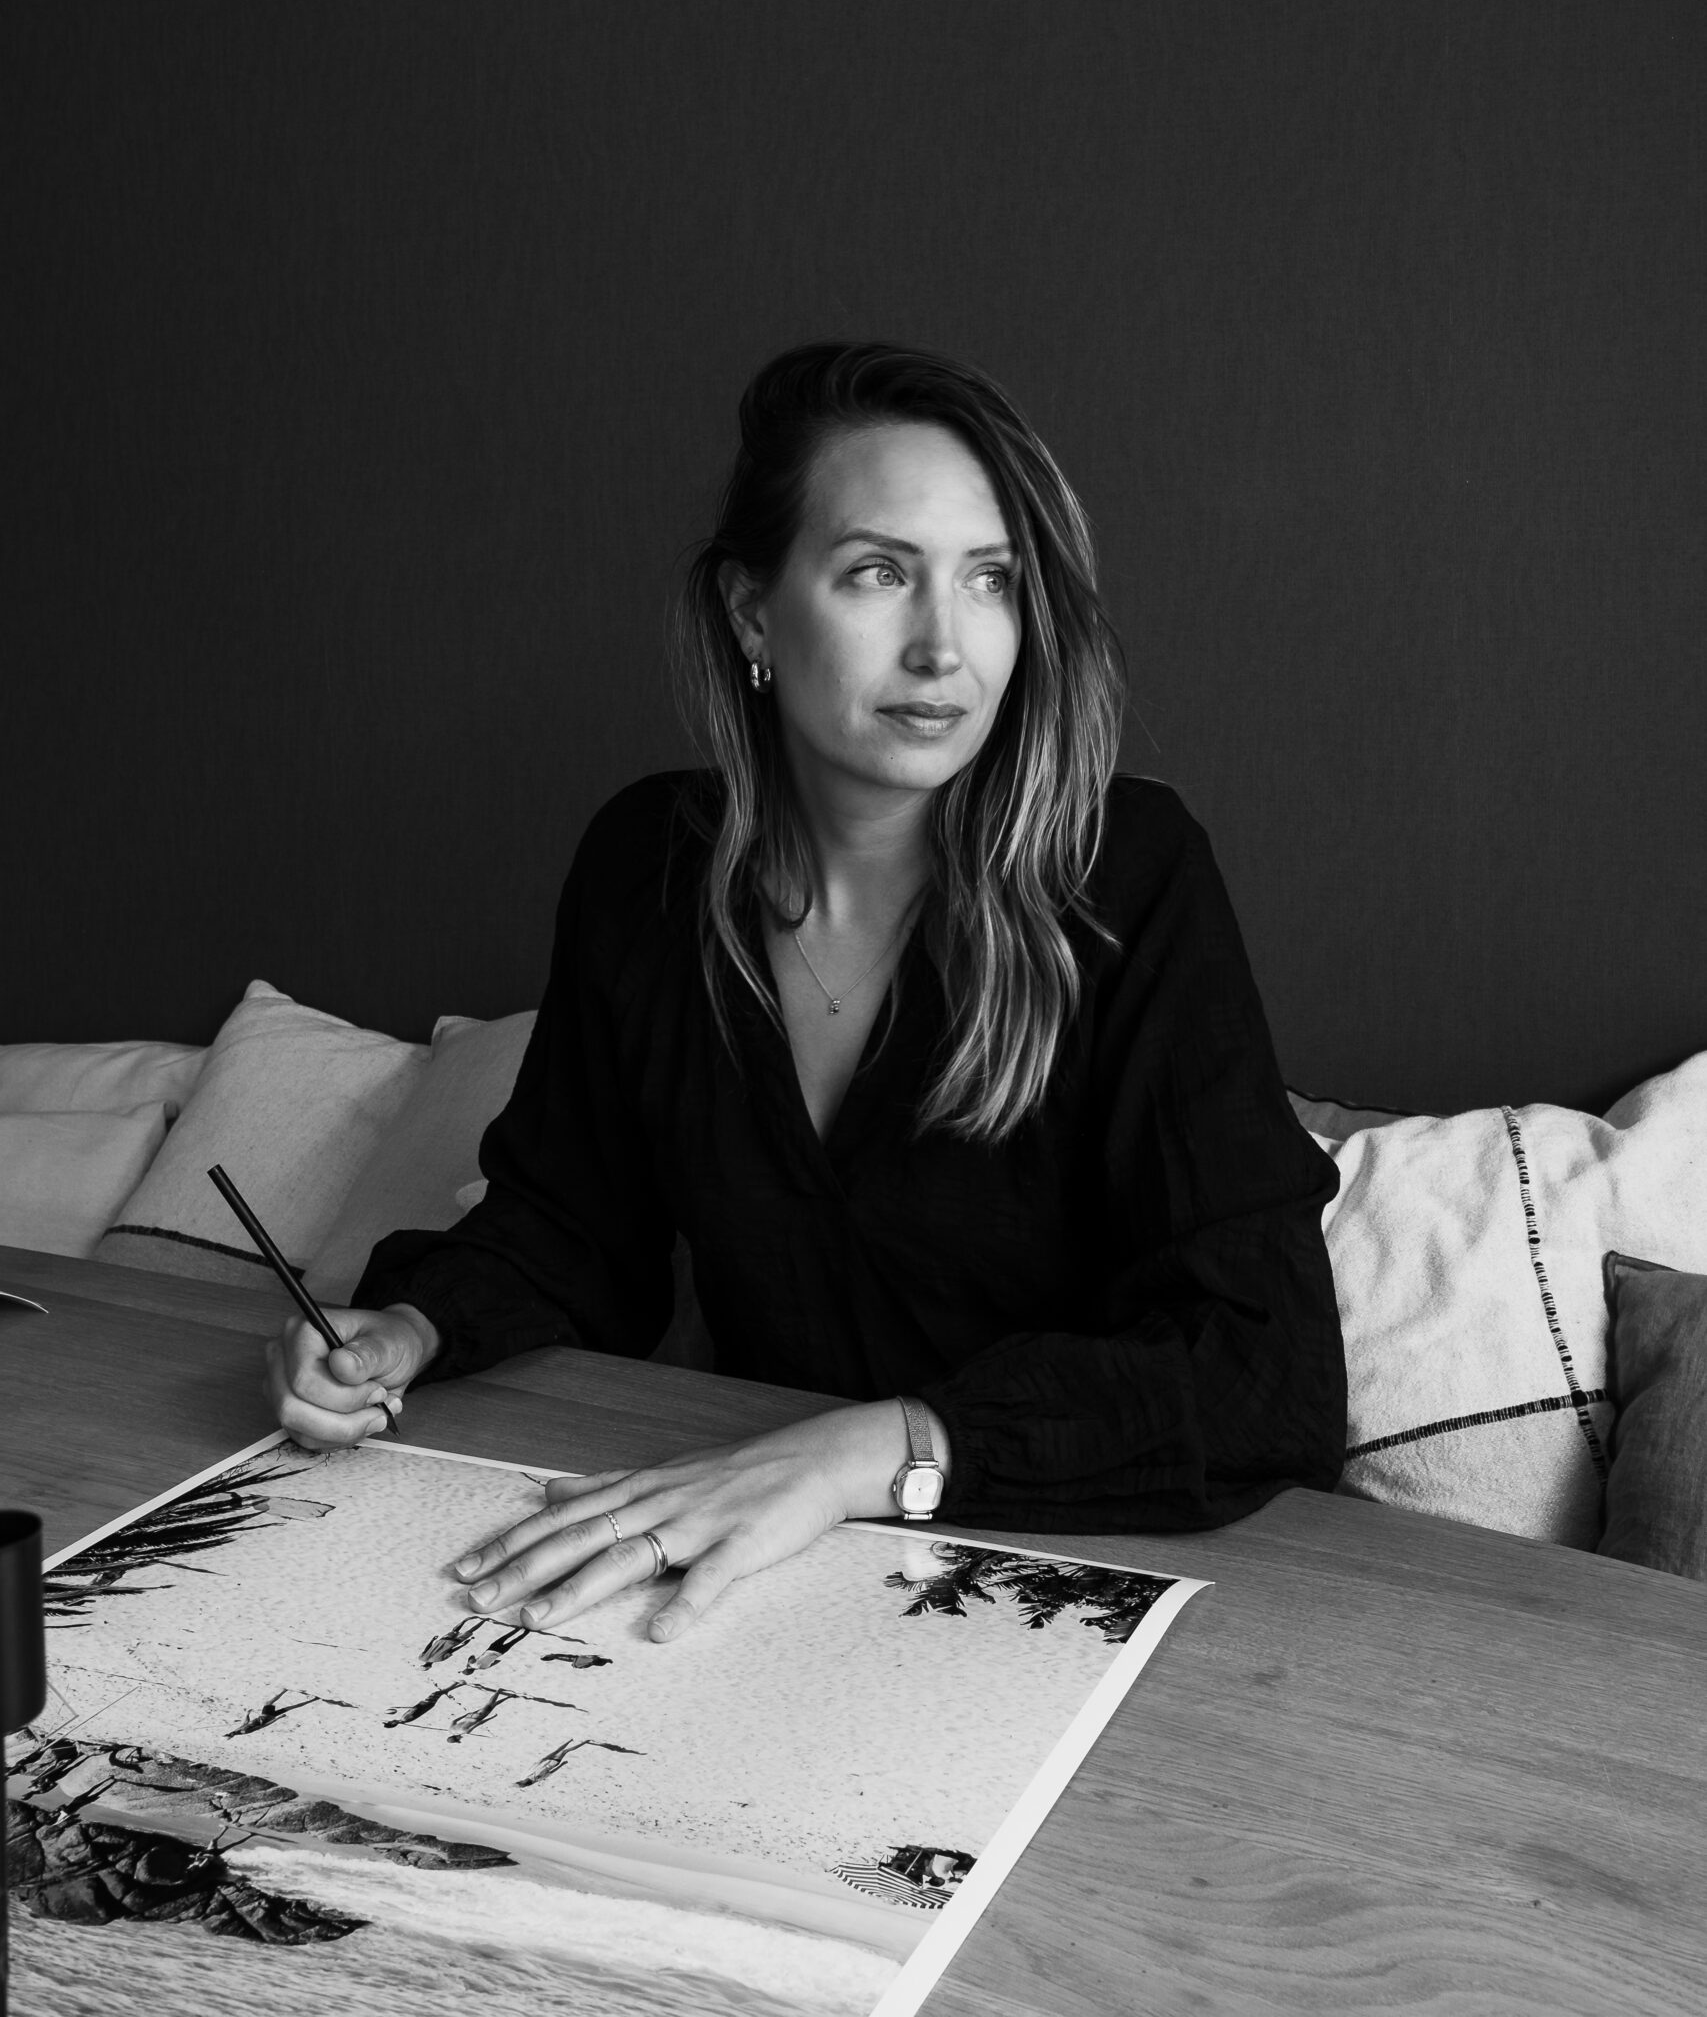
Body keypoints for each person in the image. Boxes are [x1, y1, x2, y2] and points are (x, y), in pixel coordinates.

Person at [265, 341, 1346, 1646]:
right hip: (756, 1574)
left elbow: (1264, 1369)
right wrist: (410, 1328)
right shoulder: (648, 869)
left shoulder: (1126, 878)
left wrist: (860, 1457)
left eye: (992, 580)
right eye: (879, 572)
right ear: (752, 614)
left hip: (1076, 1574)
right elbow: (574, 1226)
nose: (944, 646)